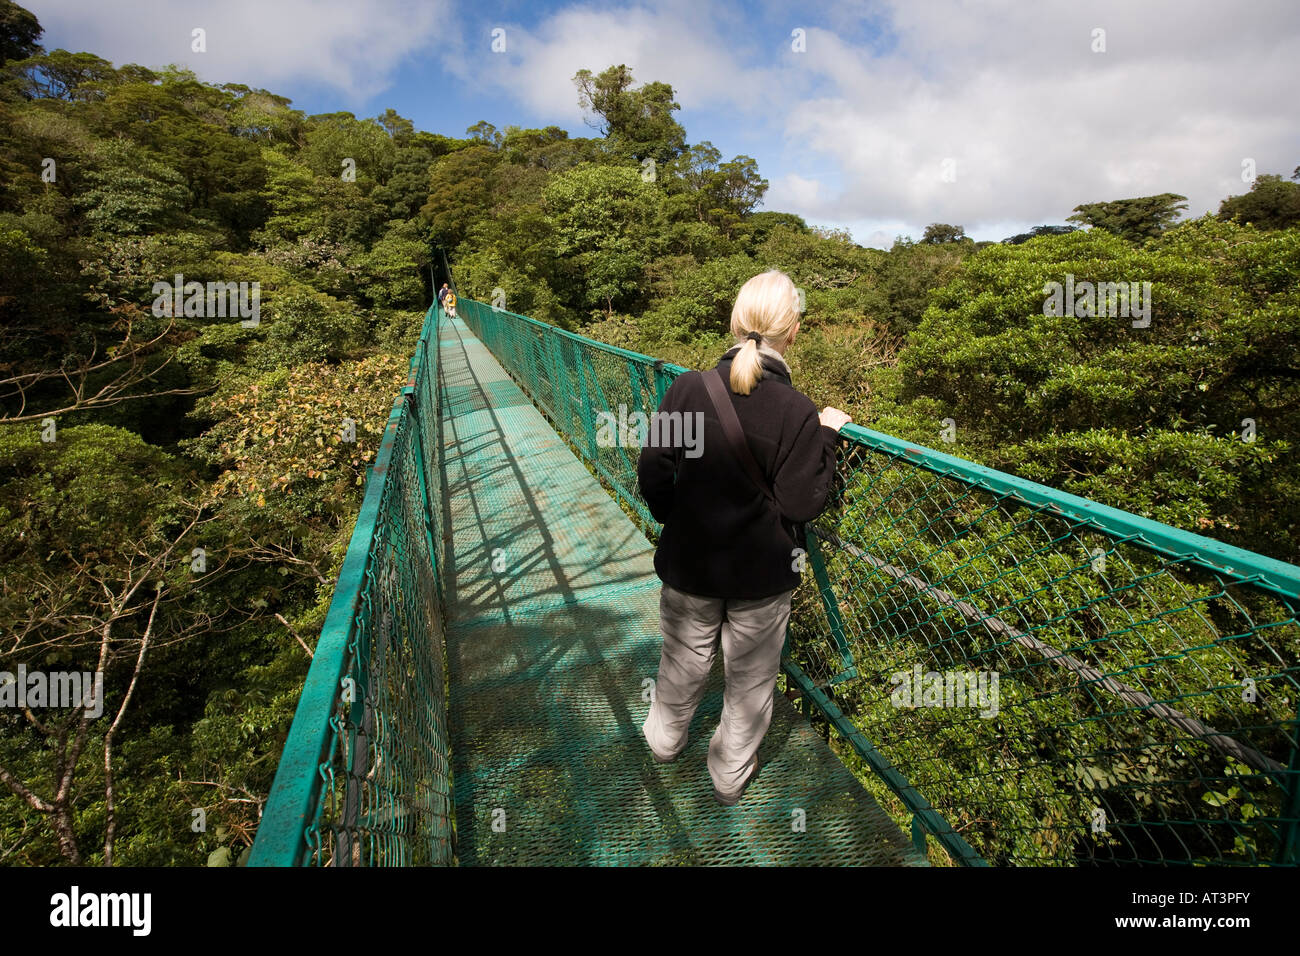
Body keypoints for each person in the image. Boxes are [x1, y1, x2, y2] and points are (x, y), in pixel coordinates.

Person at [637, 269, 852, 805]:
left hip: (692, 565)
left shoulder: (689, 388)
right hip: (761, 575)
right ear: (793, 332)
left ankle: (664, 743)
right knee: (751, 683)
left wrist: (679, 521)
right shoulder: (798, 411)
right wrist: (826, 434)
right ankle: (729, 777)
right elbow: (803, 502)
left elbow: (653, 471)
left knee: (684, 660)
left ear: (735, 322)